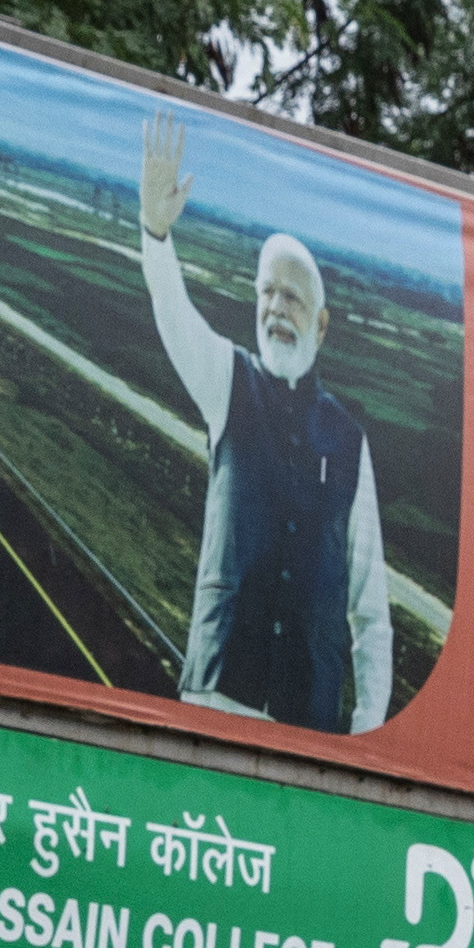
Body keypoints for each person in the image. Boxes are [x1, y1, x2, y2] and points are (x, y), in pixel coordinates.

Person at [131, 112, 393, 733]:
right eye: (265, 293)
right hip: (218, 699)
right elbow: (175, 316)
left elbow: (371, 613)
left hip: (308, 726)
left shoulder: (351, 443)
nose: (274, 307)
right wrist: (155, 233)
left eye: (291, 297)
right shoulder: (229, 382)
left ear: (321, 324)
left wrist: (368, 732)